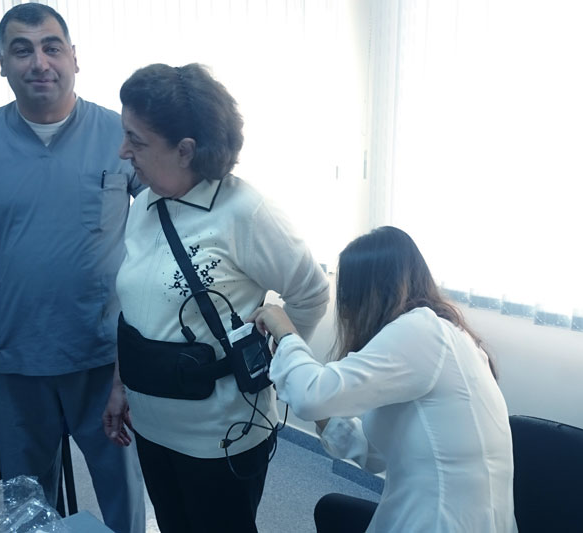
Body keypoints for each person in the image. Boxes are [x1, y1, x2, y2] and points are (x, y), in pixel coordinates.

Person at [0, 4, 145, 532]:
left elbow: (165, 229)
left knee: (121, 489)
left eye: (52, 47)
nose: (39, 62)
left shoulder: (121, 136)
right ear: (1, 62)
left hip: (103, 354)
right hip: (15, 353)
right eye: (22, 50)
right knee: (26, 500)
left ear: (74, 57)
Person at [102, 62, 330, 533]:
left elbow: (310, 293)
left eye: (136, 141)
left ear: (185, 150)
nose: (123, 151)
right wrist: (121, 386)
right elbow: (137, 312)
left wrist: (272, 362)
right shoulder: (145, 206)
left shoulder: (244, 212)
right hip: (152, 427)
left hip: (221, 437)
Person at [250, 226, 516, 533]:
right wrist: (294, 381)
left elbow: (311, 397)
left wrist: (285, 332)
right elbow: (375, 452)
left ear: (362, 295)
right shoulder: (440, 337)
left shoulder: (422, 331)